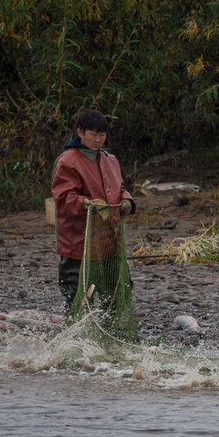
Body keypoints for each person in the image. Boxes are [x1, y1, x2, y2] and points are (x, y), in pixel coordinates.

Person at [51, 109, 135, 310]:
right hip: (78, 246)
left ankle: (110, 337)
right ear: (80, 132)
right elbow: (63, 198)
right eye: (93, 134)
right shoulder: (68, 161)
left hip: (109, 244)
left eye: (102, 135)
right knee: (77, 299)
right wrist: (88, 204)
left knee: (114, 296)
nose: (98, 140)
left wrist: (127, 202)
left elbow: (120, 189)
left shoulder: (110, 160)